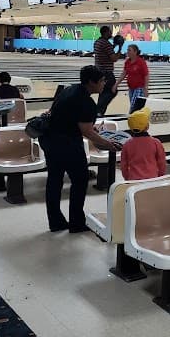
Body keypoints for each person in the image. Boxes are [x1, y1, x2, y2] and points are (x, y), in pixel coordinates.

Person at [42, 65, 120, 233]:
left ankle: (55, 222)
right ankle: (76, 223)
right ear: (91, 82)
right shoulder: (86, 102)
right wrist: (108, 144)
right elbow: (87, 132)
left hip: (50, 141)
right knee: (80, 180)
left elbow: (68, 117)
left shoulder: (70, 90)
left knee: (54, 181)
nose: (104, 84)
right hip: (67, 144)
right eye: (102, 81)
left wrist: (92, 130)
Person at [119, 107, 166, 181]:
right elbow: (162, 164)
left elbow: (123, 166)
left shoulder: (127, 145)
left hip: (134, 181)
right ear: (147, 126)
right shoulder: (156, 143)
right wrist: (159, 177)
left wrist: (128, 178)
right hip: (153, 180)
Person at [93, 26, 123, 116]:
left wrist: (114, 46)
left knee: (103, 92)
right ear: (106, 32)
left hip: (99, 72)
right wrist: (120, 48)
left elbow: (106, 51)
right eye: (110, 32)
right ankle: (98, 110)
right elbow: (114, 58)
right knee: (112, 90)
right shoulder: (106, 44)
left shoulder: (97, 42)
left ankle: (99, 112)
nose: (111, 34)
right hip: (107, 73)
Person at [114, 44, 149, 113]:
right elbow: (123, 74)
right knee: (136, 107)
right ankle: (138, 120)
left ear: (135, 52)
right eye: (127, 50)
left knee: (133, 107)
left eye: (129, 50)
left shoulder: (141, 62)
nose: (127, 51)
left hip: (139, 88)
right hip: (131, 88)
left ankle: (131, 119)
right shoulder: (127, 62)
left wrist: (145, 88)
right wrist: (116, 84)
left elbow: (146, 75)